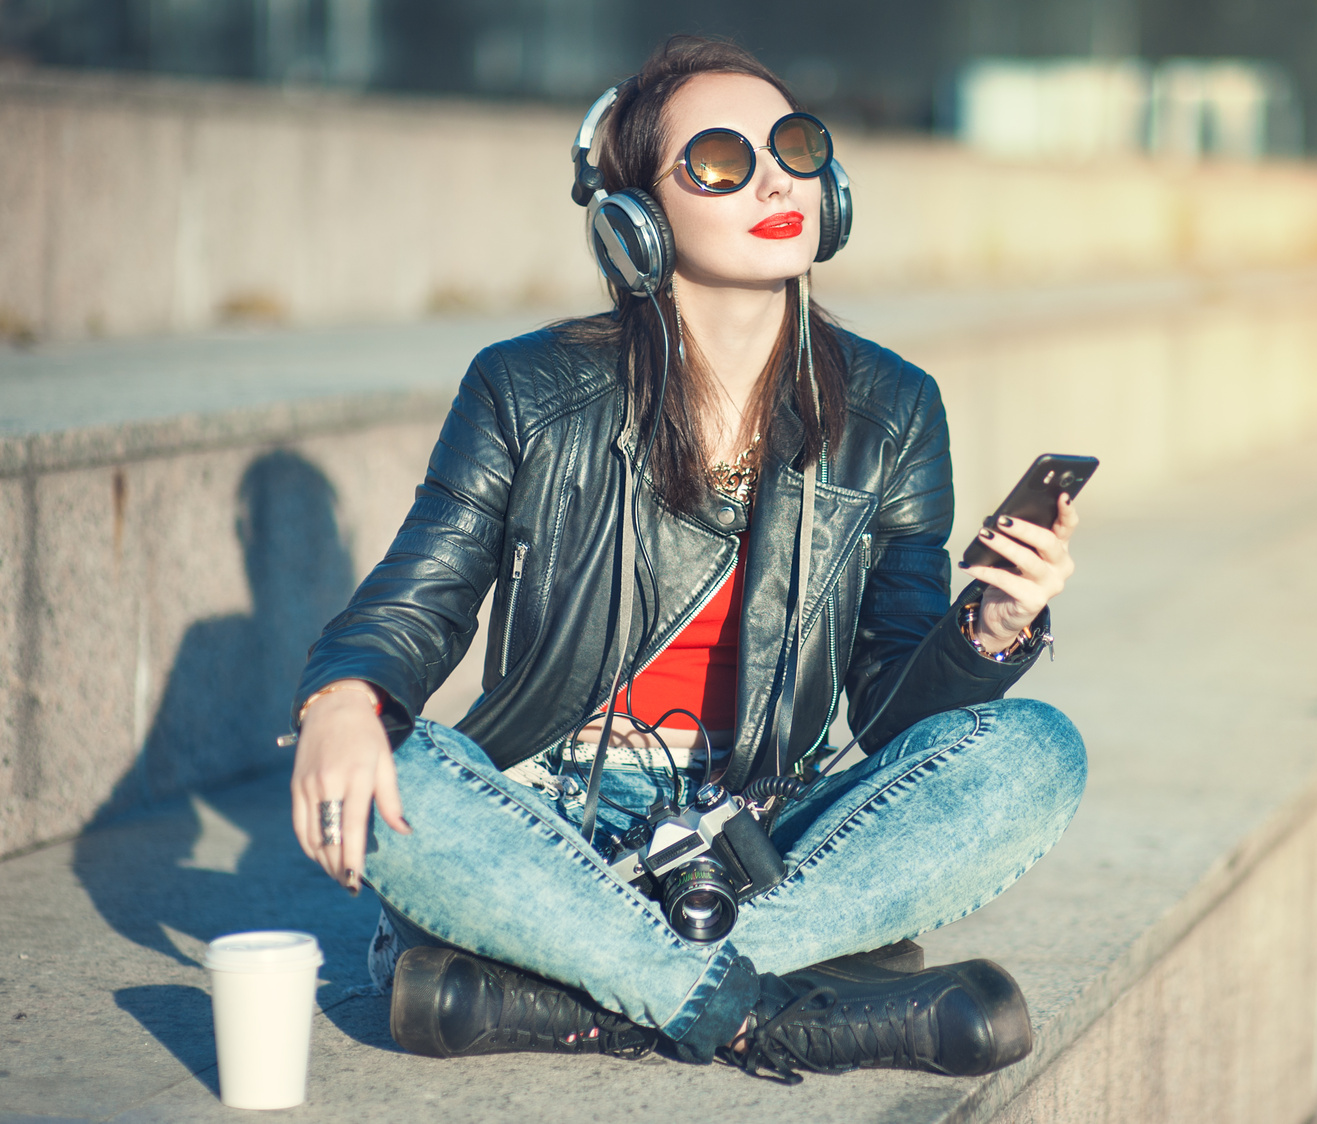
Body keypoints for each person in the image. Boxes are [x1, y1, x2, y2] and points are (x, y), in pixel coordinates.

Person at [287, 35, 1087, 1084]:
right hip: (553, 812)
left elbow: (894, 713)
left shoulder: (892, 410)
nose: (772, 179)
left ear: (831, 189)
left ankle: (581, 982)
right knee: (404, 777)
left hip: (764, 827)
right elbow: (418, 598)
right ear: (634, 221)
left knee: (1036, 751)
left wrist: (990, 628)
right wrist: (344, 696)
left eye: (794, 148)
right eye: (716, 160)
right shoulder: (524, 390)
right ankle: (773, 1006)